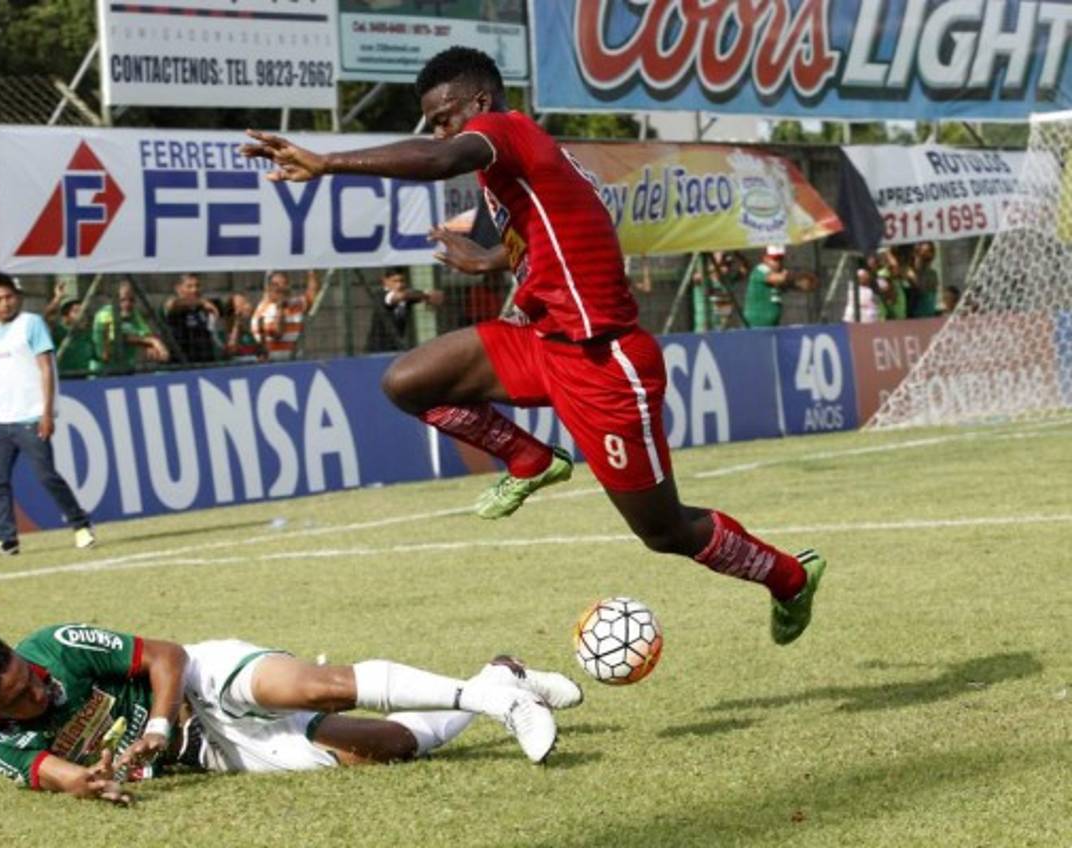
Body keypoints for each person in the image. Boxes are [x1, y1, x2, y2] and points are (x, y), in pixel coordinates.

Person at [240, 46, 826, 646]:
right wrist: (495, 257)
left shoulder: (500, 132)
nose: (442, 132)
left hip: (605, 362)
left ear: (480, 103)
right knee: (407, 382)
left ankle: (788, 579)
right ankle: (532, 459)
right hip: (545, 344)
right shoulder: (529, 162)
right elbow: (568, 221)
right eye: (434, 122)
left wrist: (328, 162)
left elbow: (443, 158)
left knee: (664, 530)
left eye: (445, 117)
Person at [0, 624, 578, 804]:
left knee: (320, 687)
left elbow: (165, 655)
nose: (39, 691)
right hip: (208, 751)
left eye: (29, 677)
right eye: (22, 697)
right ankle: (502, 673)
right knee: (383, 747)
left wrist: (159, 726)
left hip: (197, 683)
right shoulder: (1, 748)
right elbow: (64, 776)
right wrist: (93, 780)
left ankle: (494, 702)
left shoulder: (54, 647)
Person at [0, 274, 95, 560]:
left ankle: (80, 525)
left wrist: (46, 412)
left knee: (46, 475)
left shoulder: (31, 324)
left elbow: (46, 369)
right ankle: (6, 540)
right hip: (0, 420)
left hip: (31, 416)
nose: (4, 304)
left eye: (9, 297)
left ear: (18, 297)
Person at [93, 280, 168, 373]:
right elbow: (119, 337)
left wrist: (149, 344)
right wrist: (153, 342)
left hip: (126, 369)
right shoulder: (104, 314)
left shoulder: (133, 314)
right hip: (103, 371)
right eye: (122, 300)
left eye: (131, 300)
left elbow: (146, 333)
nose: (127, 304)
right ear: (114, 300)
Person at [365, 267, 445, 353]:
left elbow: (414, 296)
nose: (399, 285)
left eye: (401, 281)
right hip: (378, 348)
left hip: (396, 347)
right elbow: (397, 297)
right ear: (385, 281)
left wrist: (430, 296)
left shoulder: (407, 297)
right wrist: (425, 294)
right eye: (395, 281)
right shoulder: (381, 295)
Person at [252, 269, 319, 362]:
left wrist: (311, 272)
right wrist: (280, 308)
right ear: (268, 288)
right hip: (270, 363)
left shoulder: (293, 304)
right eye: (276, 285)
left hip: (290, 361)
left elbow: (311, 297)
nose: (281, 288)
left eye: (284, 283)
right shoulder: (263, 310)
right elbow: (278, 333)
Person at [42, 281, 96, 375]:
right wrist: (58, 298)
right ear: (66, 317)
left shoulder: (88, 335)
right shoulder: (60, 332)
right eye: (76, 311)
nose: (82, 315)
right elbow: (48, 316)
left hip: (85, 382)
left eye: (84, 311)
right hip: (64, 381)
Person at [164, 272, 218, 363]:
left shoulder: (203, 308)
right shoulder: (175, 305)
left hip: (205, 361)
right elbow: (171, 305)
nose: (194, 290)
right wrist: (201, 302)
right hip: (180, 363)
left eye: (197, 286)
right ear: (178, 288)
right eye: (189, 286)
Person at [742, 245, 794, 328]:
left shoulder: (777, 272)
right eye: (775, 259)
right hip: (756, 325)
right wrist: (786, 274)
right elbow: (777, 278)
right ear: (765, 258)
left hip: (772, 326)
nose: (778, 262)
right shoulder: (760, 269)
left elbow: (785, 285)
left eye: (780, 259)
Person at [223, 292, 263, 363]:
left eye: (246, 302)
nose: (248, 306)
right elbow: (231, 350)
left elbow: (261, 352)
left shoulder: (251, 331)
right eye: (242, 304)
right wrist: (237, 324)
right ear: (234, 311)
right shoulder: (226, 333)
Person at [904, 241, 939, 318]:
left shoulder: (933, 274)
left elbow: (927, 289)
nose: (927, 254)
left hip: (929, 315)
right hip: (915, 317)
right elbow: (920, 287)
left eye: (930, 251)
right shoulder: (909, 272)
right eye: (924, 252)